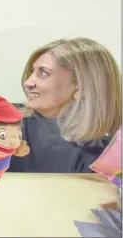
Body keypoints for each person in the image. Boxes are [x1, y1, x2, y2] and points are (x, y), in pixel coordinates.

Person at [9, 37, 122, 173]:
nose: (28, 82)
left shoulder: (113, 150)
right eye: (32, 72)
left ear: (82, 87)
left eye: (43, 73)